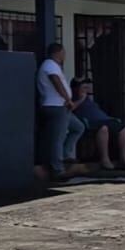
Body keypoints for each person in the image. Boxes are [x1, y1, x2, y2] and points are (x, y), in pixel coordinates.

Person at [35, 43, 84, 179]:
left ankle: (65, 155)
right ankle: (58, 170)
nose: (65, 56)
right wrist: (68, 99)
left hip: (61, 107)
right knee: (57, 138)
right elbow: (55, 81)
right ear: (59, 53)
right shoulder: (50, 64)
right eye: (63, 53)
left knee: (78, 127)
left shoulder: (53, 66)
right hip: (56, 106)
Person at [70, 78, 125, 170]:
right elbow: (71, 109)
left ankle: (124, 159)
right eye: (83, 87)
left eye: (86, 86)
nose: (86, 89)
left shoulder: (90, 99)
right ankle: (105, 160)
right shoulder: (72, 98)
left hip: (105, 119)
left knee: (124, 128)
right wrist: (81, 98)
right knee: (103, 129)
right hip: (91, 122)